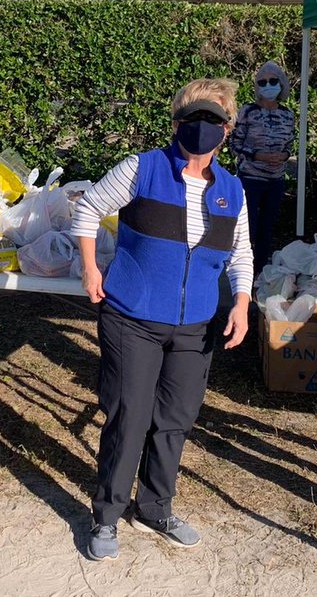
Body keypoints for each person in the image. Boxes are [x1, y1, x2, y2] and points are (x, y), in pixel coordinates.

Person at [71, 78, 253, 562]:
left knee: (174, 420)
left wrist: (240, 302)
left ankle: (155, 508)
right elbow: (87, 209)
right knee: (129, 417)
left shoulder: (232, 191)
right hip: (132, 316)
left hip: (196, 326)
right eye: (193, 116)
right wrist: (91, 268)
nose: (202, 127)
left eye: (213, 118)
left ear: (228, 129)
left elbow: (241, 252)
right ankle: (107, 515)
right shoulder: (143, 168)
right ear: (176, 121)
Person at [229, 61, 295, 271]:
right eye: (263, 82)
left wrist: (283, 155)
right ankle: (241, 269)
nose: (268, 85)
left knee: (267, 228)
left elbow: (290, 145)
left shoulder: (288, 114)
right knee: (248, 227)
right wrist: (259, 156)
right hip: (250, 179)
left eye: (273, 81)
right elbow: (234, 143)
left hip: (275, 180)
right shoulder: (247, 111)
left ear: (282, 84)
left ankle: (260, 271)